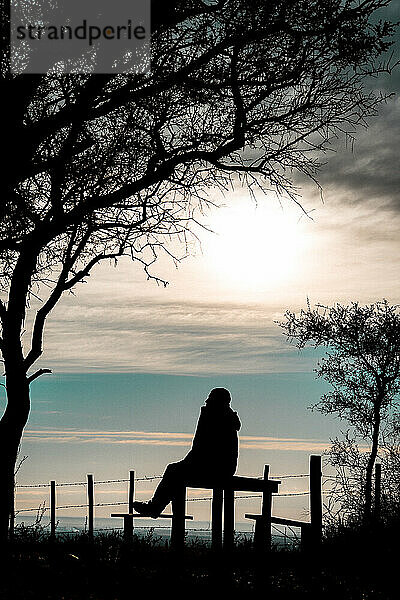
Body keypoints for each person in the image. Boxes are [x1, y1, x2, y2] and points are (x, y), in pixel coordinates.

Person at [133, 387, 241, 517]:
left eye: (210, 401)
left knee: (174, 471)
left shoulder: (216, 419)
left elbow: (201, 449)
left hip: (215, 469)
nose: (206, 403)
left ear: (218, 402)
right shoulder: (226, 418)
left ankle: (155, 508)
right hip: (222, 468)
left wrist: (186, 464)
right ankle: (155, 507)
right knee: (175, 470)